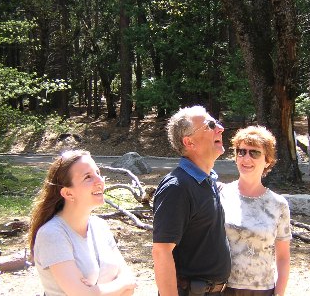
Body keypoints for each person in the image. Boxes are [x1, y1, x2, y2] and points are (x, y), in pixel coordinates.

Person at [28, 150, 136, 296]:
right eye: (88, 177)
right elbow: (82, 294)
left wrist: (94, 291)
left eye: (98, 172)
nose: (100, 181)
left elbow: (130, 284)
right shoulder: (52, 234)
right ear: (68, 193)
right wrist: (121, 285)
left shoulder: (100, 226)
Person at [152, 105, 231, 296]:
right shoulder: (177, 187)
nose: (220, 128)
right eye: (210, 125)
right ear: (189, 142)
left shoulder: (207, 180)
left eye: (217, 123)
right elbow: (161, 252)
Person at [219, 126, 291, 296]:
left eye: (254, 153)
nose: (246, 158)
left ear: (267, 160)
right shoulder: (220, 194)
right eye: (241, 152)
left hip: (262, 289)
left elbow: (283, 257)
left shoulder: (279, 204)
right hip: (221, 288)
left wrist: (279, 293)